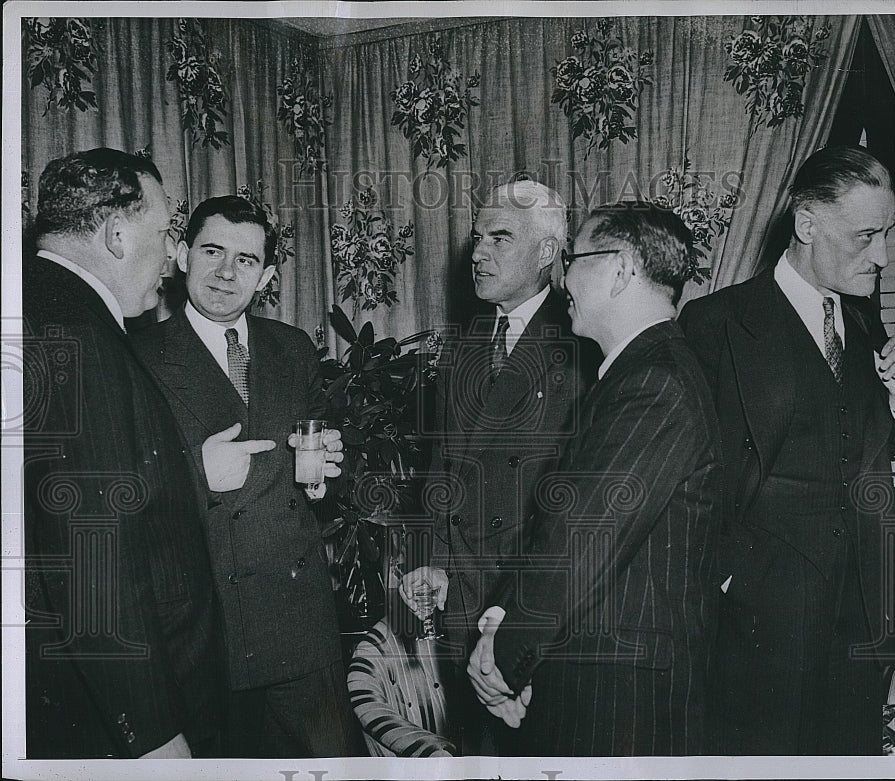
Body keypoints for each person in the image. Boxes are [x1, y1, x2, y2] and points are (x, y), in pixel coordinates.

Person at [678, 145, 895, 755]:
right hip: (761, 621)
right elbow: (687, 475)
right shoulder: (718, 322)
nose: (882, 256)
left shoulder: (864, 318)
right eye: (865, 235)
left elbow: (855, 446)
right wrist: (728, 580)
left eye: (886, 234)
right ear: (807, 224)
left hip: (863, 608)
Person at [468, 201, 723, 756]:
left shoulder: (655, 383)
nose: (561, 279)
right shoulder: (635, 374)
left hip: (622, 699)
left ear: (623, 270)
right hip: (597, 678)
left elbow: (581, 540)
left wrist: (502, 657)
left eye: (575, 260)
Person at [131, 196, 361, 758]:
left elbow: (324, 481)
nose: (226, 272)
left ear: (268, 275)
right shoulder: (137, 355)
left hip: (299, 627)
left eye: (246, 260)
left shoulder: (293, 349)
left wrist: (332, 465)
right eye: (212, 251)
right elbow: (115, 493)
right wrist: (198, 474)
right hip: (208, 631)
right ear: (181, 255)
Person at [22, 148, 225, 758]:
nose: (172, 255)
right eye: (165, 233)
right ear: (115, 234)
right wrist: (156, 737)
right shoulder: (80, 335)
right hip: (120, 723)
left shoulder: (40, 307)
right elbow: (94, 561)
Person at [398, 180, 600, 753]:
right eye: (478, 238)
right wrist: (433, 562)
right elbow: (444, 465)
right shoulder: (466, 341)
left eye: (500, 238)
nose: (479, 253)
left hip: (533, 612)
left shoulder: (583, 339)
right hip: (462, 603)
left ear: (546, 253)